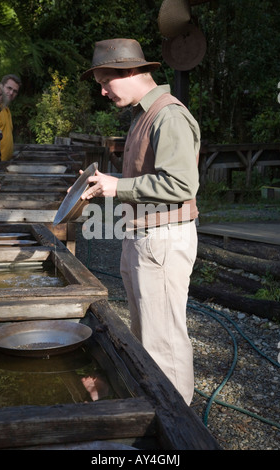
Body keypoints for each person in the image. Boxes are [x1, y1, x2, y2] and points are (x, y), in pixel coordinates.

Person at [79, 38, 200, 405]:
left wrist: (118, 185)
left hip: (162, 239)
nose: (102, 92)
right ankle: (151, 407)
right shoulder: (142, 114)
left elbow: (181, 183)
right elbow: (145, 178)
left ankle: (179, 429)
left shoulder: (169, 114)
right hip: (143, 236)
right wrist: (102, 182)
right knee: (146, 332)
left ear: (130, 71)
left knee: (163, 342)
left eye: (105, 82)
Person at [0, 74, 21, 161]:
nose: (11, 93)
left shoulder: (7, 110)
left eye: (15, 91)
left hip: (4, 164)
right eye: (9, 88)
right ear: (1, 86)